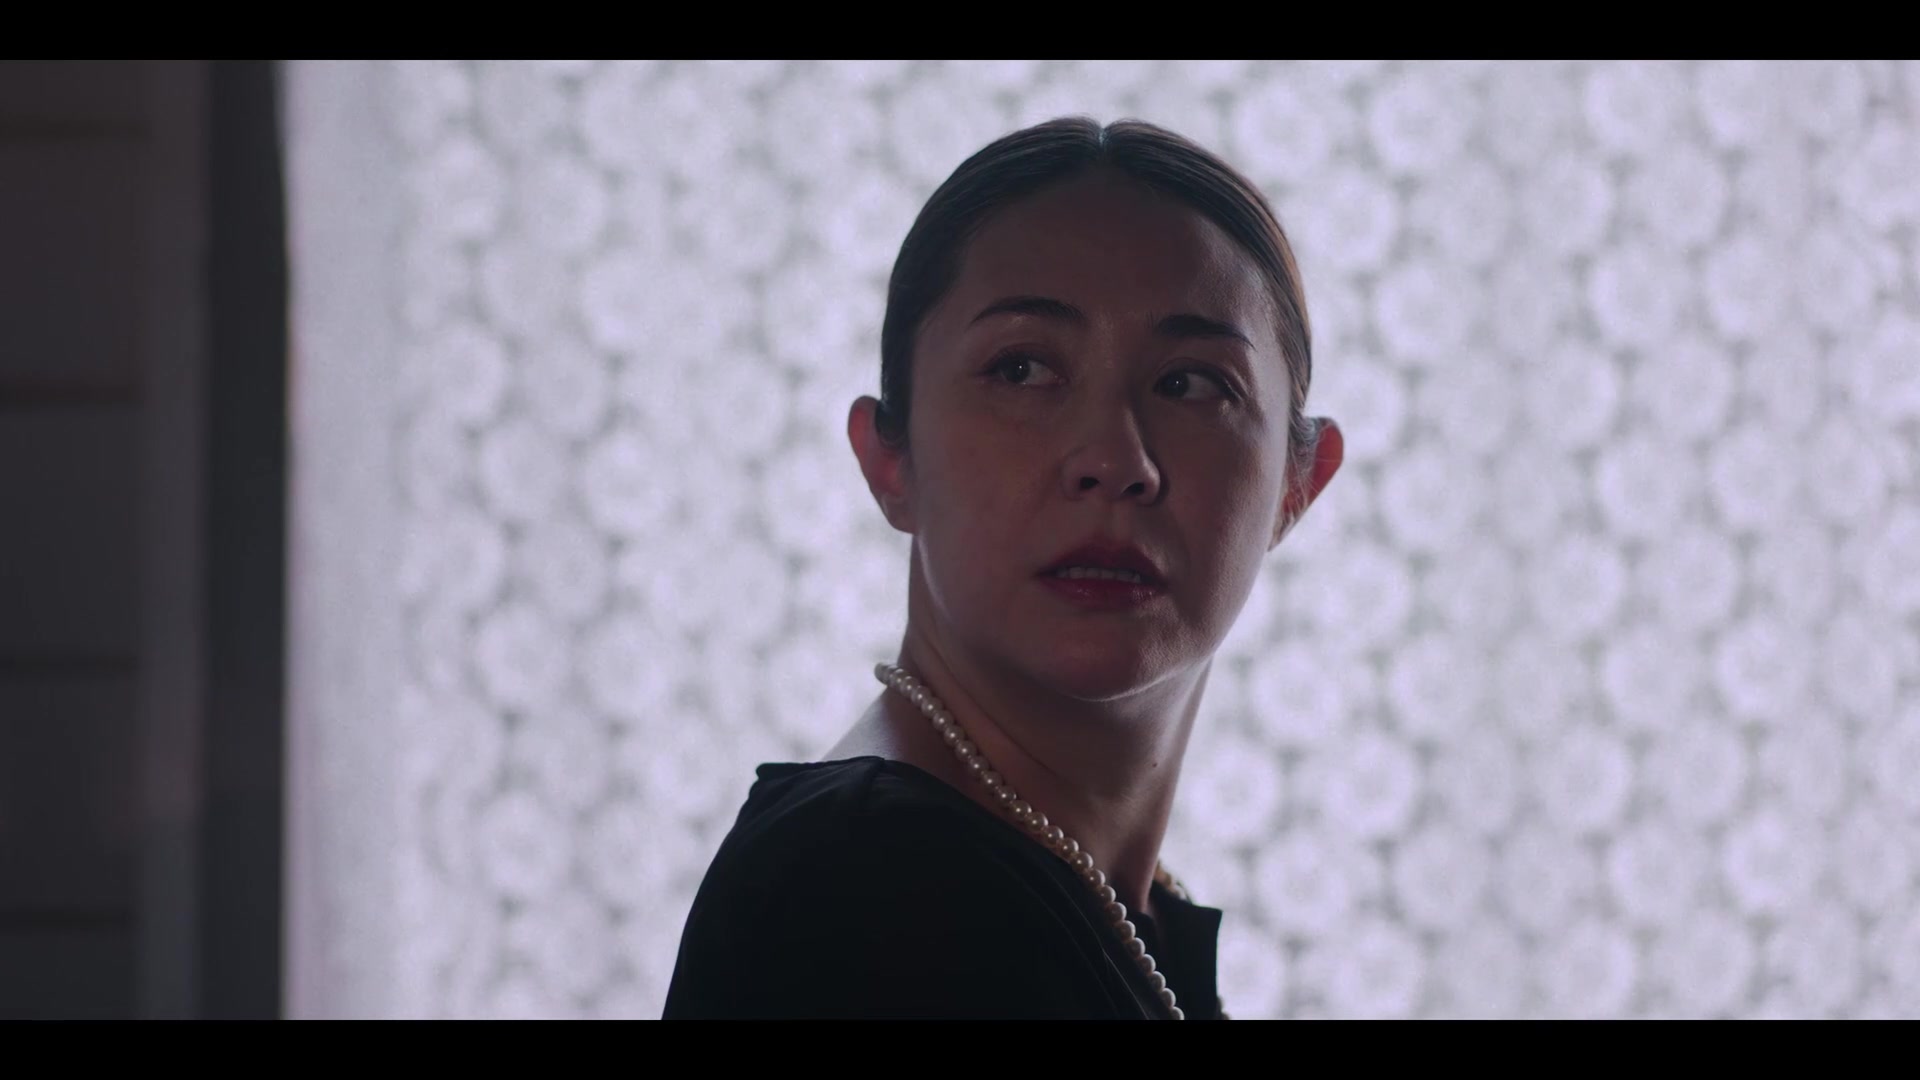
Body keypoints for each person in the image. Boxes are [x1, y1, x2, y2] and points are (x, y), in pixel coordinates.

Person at [661, 116, 1344, 1020]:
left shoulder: (1100, 906)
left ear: (1299, 484)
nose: (1114, 459)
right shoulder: (867, 891)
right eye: (1022, 369)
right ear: (889, 461)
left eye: (1190, 383)